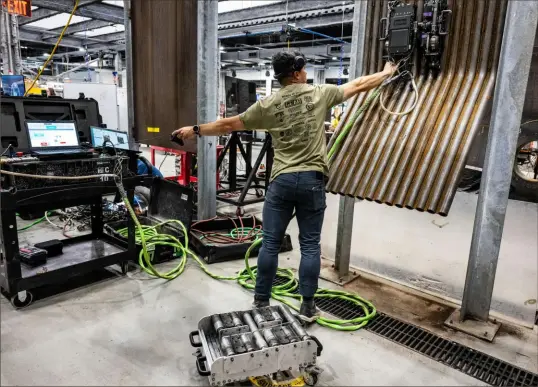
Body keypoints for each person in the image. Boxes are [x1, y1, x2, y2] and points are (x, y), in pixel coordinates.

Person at [173, 51, 396, 321]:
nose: (305, 72)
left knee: (270, 243)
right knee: (310, 245)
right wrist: (386, 73)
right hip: (312, 181)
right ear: (296, 73)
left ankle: (261, 301)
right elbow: (358, 85)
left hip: (281, 181)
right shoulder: (319, 94)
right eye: (303, 68)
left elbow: (227, 125)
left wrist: (194, 129)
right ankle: (307, 306)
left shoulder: (267, 105)